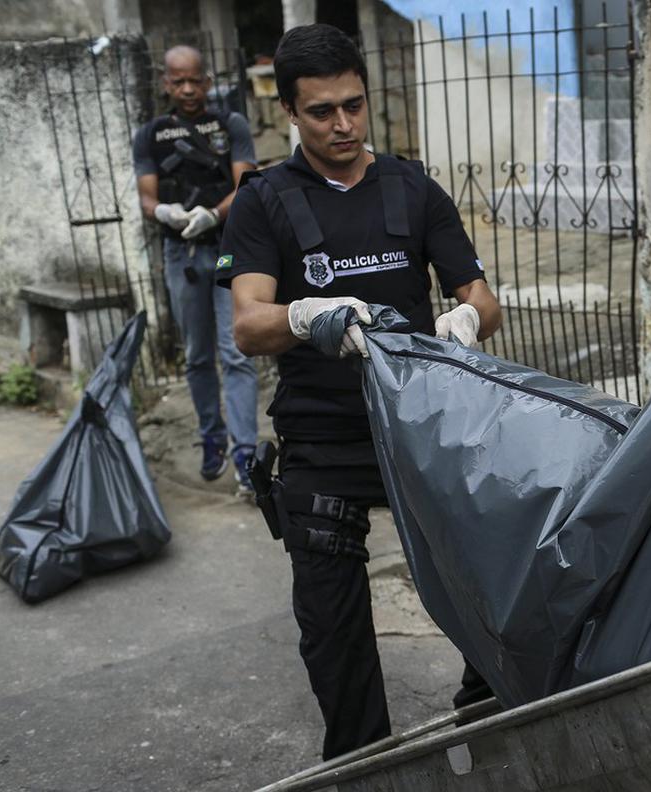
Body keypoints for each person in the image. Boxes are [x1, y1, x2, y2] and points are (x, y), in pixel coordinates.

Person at [216, 24, 503, 760]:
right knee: (334, 628)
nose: (342, 125)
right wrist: (305, 316)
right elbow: (248, 325)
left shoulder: (411, 186)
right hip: (321, 441)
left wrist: (467, 317)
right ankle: (364, 765)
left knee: (487, 582)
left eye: (354, 105)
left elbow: (481, 293)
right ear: (288, 111)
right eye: (321, 112)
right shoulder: (264, 202)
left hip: (418, 426)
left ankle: (493, 719)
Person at [133, 45, 260, 494]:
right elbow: (146, 195)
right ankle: (212, 438)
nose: (187, 89)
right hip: (179, 255)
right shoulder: (150, 135)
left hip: (228, 249)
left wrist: (213, 213)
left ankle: (246, 454)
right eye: (178, 81)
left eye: (195, 80)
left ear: (206, 80)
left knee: (237, 351)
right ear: (166, 83)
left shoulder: (230, 125)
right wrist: (164, 212)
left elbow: (246, 181)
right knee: (198, 355)